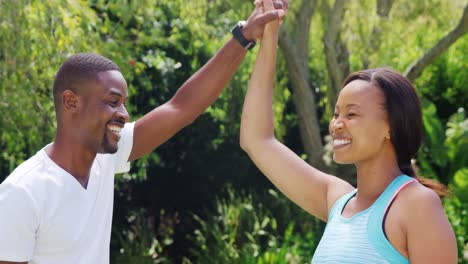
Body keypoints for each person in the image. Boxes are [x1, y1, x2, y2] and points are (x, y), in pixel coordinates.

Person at [0, 1, 288, 263]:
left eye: (124, 104)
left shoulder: (102, 159)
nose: (124, 114)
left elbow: (181, 108)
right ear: (71, 102)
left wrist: (244, 36)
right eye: (112, 102)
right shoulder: (23, 192)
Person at [240, 3, 458, 263]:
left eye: (351, 114)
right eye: (336, 114)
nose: (336, 125)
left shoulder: (417, 205)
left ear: (390, 126)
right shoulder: (336, 202)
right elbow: (257, 140)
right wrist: (270, 36)